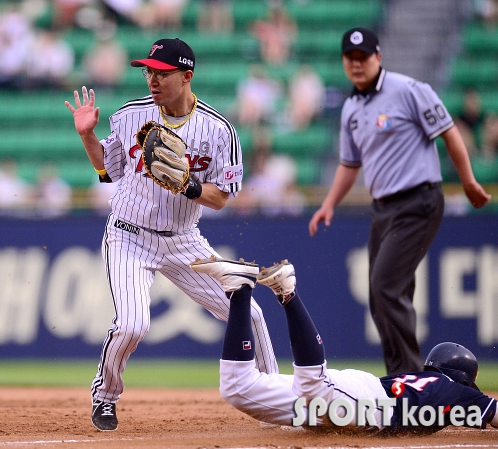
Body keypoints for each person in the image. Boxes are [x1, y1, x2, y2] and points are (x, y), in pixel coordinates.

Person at [64, 37, 278, 432]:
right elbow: (107, 171)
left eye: (161, 73)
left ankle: (277, 399)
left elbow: (221, 199)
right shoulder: (130, 115)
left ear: (187, 76)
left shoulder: (218, 130)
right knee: (132, 325)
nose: (152, 79)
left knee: (251, 314)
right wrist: (87, 136)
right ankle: (105, 395)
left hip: (184, 240)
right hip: (129, 234)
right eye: (148, 71)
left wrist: (188, 186)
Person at [308, 27, 492, 376]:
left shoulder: (409, 90)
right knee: (381, 295)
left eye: (364, 57)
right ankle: (400, 379)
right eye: (351, 58)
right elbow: (350, 165)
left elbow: (449, 132)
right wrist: (329, 203)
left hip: (418, 201)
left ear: (378, 57)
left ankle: (411, 382)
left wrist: (467, 181)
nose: (357, 64)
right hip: (384, 208)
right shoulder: (351, 108)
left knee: (384, 286)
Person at [190, 256, 498, 433]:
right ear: (464, 378)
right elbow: (492, 412)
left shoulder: (431, 384)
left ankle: (239, 288)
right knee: (315, 387)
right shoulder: (460, 393)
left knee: (238, 387)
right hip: (371, 407)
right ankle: (288, 292)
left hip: (359, 397)